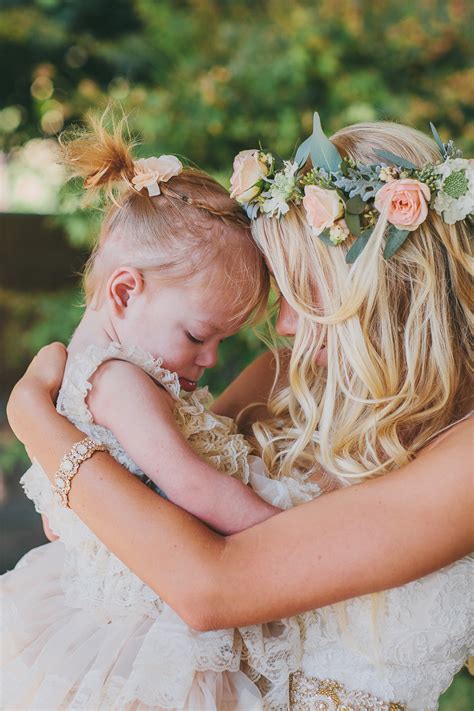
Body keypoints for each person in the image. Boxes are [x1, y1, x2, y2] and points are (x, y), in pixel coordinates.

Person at [6, 115, 474, 709]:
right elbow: (143, 509)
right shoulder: (281, 382)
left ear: (385, 288)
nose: (283, 325)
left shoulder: (465, 452)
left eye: (304, 292)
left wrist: (35, 422)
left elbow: (208, 589)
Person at [1, 113, 312, 710]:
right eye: (199, 334)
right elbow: (191, 485)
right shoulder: (119, 382)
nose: (212, 358)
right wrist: (284, 537)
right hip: (141, 632)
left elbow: (58, 518)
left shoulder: (89, 375)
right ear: (123, 291)